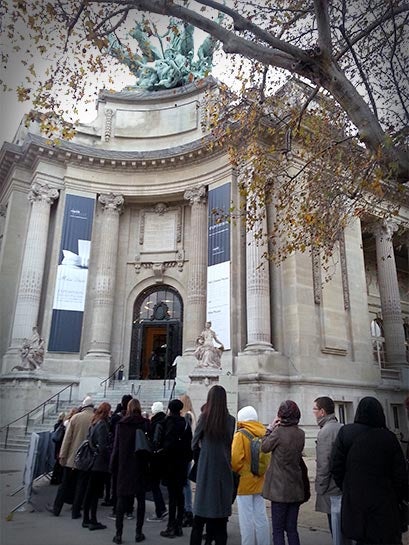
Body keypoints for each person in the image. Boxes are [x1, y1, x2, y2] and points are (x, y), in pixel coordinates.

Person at [331, 396, 408, 545]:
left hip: (356, 499)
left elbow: (336, 467)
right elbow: (400, 475)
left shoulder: (346, 432)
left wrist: (348, 488)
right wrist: (399, 497)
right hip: (384, 501)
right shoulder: (388, 437)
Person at [190, 385, 236, 545]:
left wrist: (202, 451)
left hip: (206, 471)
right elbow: (229, 444)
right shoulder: (231, 420)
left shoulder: (204, 417)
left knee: (199, 521)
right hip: (223, 472)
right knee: (221, 522)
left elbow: (194, 443)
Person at [261, 400, 305, 545]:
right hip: (295, 487)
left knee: (278, 530)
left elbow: (264, 447)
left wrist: (270, 428)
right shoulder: (300, 433)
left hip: (279, 489)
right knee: (292, 529)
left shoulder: (278, 433)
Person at [110, 398, 151, 544]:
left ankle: (118, 534)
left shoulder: (122, 424)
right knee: (141, 500)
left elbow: (116, 447)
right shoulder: (145, 423)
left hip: (124, 465)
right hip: (140, 466)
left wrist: (112, 465)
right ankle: (138, 532)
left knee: (121, 499)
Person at [50, 396, 95, 518]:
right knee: (81, 485)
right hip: (86, 458)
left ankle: (57, 508)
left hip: (72, 457)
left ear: (83, 406)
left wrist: (62, 455)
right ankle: (76, 511)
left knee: (64, 484)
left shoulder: (75, 418)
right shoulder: (95, 419)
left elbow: (67, 439)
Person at [232, 405, 270, 545]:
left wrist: (241, 470)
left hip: (244, 482)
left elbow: (235, 460)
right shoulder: (263, 432)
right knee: (261, 516)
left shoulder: (240, 435)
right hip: (260, 479)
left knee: (246, 519)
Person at [159, 398, 193, 539]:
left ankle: (171, 526)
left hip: (170, 464)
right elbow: (190, 444)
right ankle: (178, 525)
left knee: (172, 496)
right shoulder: (185, 424)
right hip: (182, 464)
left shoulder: (167, 423)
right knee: (180, 495)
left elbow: (165, 444)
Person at [313, 396, 343, 535]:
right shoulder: (341, 427)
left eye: (315, 409)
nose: (313, 412)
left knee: (336, 529)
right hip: (341, 484)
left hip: (331, 487)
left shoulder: (325, 432)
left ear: (322, 412)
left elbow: (323, 464)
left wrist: (320, 487)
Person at [82, 401, 112, 531]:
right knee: (95, 492)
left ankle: (86, 519)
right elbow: (103, 446)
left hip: (91, 462)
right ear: (106, 412)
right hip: (99, 463)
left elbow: (89, 440)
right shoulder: (102, 425)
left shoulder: (94, 423)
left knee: (89, 491)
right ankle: (93, 520)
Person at [109, 394, 133, 520]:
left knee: (117, 484)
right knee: (130, 484)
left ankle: (117, 510)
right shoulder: (137, 420)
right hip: (132, 457)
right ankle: (129, 510)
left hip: (120, 455)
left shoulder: (117, 420)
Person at [146, 401, 168, 522]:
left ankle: (160, 509)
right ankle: (162, 508)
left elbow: (155, 440)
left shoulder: (156, 423)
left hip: (156, 457)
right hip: (163, 457)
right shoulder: (165, 421)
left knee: (154, 484)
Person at [180, 393, 197, 528]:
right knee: (185, 482)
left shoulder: (187, 416)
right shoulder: (192, 415)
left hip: (185, 452)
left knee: (185, 483)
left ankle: (187, 510)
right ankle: (187, 509)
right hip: (189, 452)